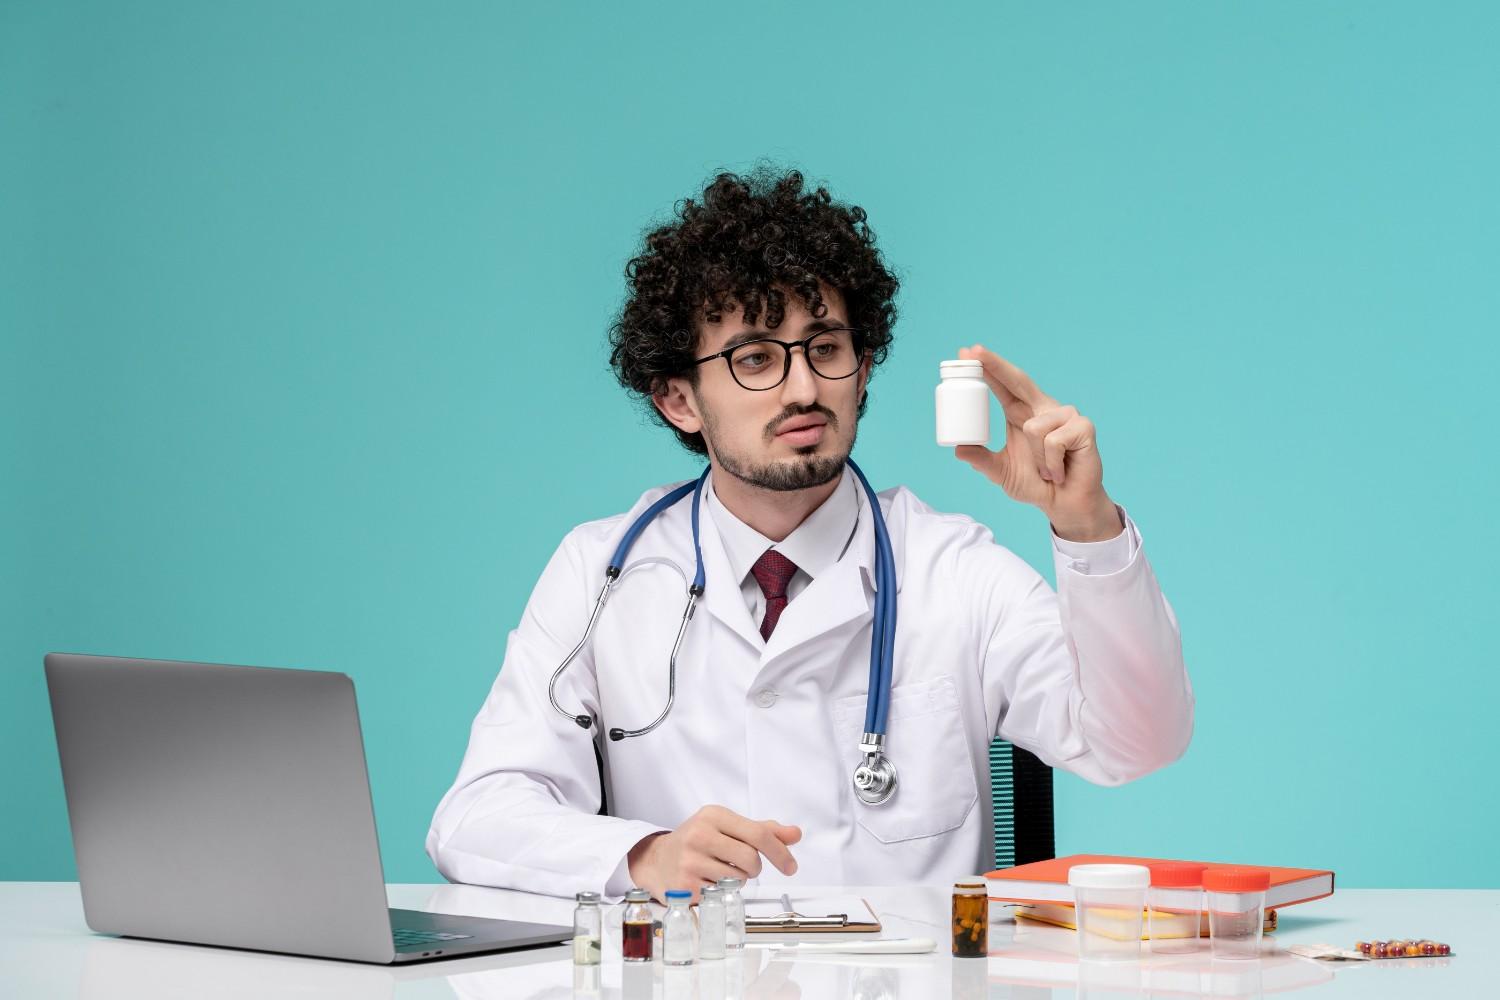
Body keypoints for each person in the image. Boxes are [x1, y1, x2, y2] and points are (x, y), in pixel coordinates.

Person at [426, 167, 1193, 901]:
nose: (802, 388)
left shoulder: (953, 570)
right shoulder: (603, 572)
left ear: (862, 370)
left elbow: (1138, 742)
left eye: (825, 348)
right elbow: (476, 817)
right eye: (754, 357)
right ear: (677, 400)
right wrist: (643, 854)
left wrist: (1085, 526)